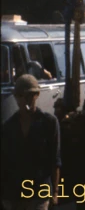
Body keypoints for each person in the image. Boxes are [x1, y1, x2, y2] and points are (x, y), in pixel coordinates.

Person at [1, 75, 61, 210]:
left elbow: (55, 160)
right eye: (20, 96)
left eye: (29, 96)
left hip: (40, 191)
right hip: (15, 193)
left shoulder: (49, 123)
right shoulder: (9, 126)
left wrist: (55, 192)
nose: (24, 101)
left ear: (37, 95)